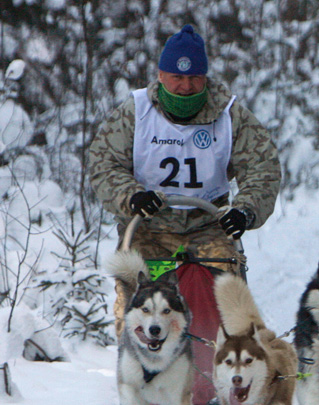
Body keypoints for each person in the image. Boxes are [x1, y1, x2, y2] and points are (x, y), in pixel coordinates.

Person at [89, 24, 281, 335]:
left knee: (226, 294)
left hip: (208, 224)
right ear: (161, 75)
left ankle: (221, 357)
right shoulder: (135, 112)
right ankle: (140, 363)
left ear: (205, 78)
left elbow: (263, 167)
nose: (186, 87)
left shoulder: (230, 116)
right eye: (177, 77)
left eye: (194, 78)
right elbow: (104, 161)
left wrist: (245, 210)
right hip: (148, 226)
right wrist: (131, 195)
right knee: (141, 301)